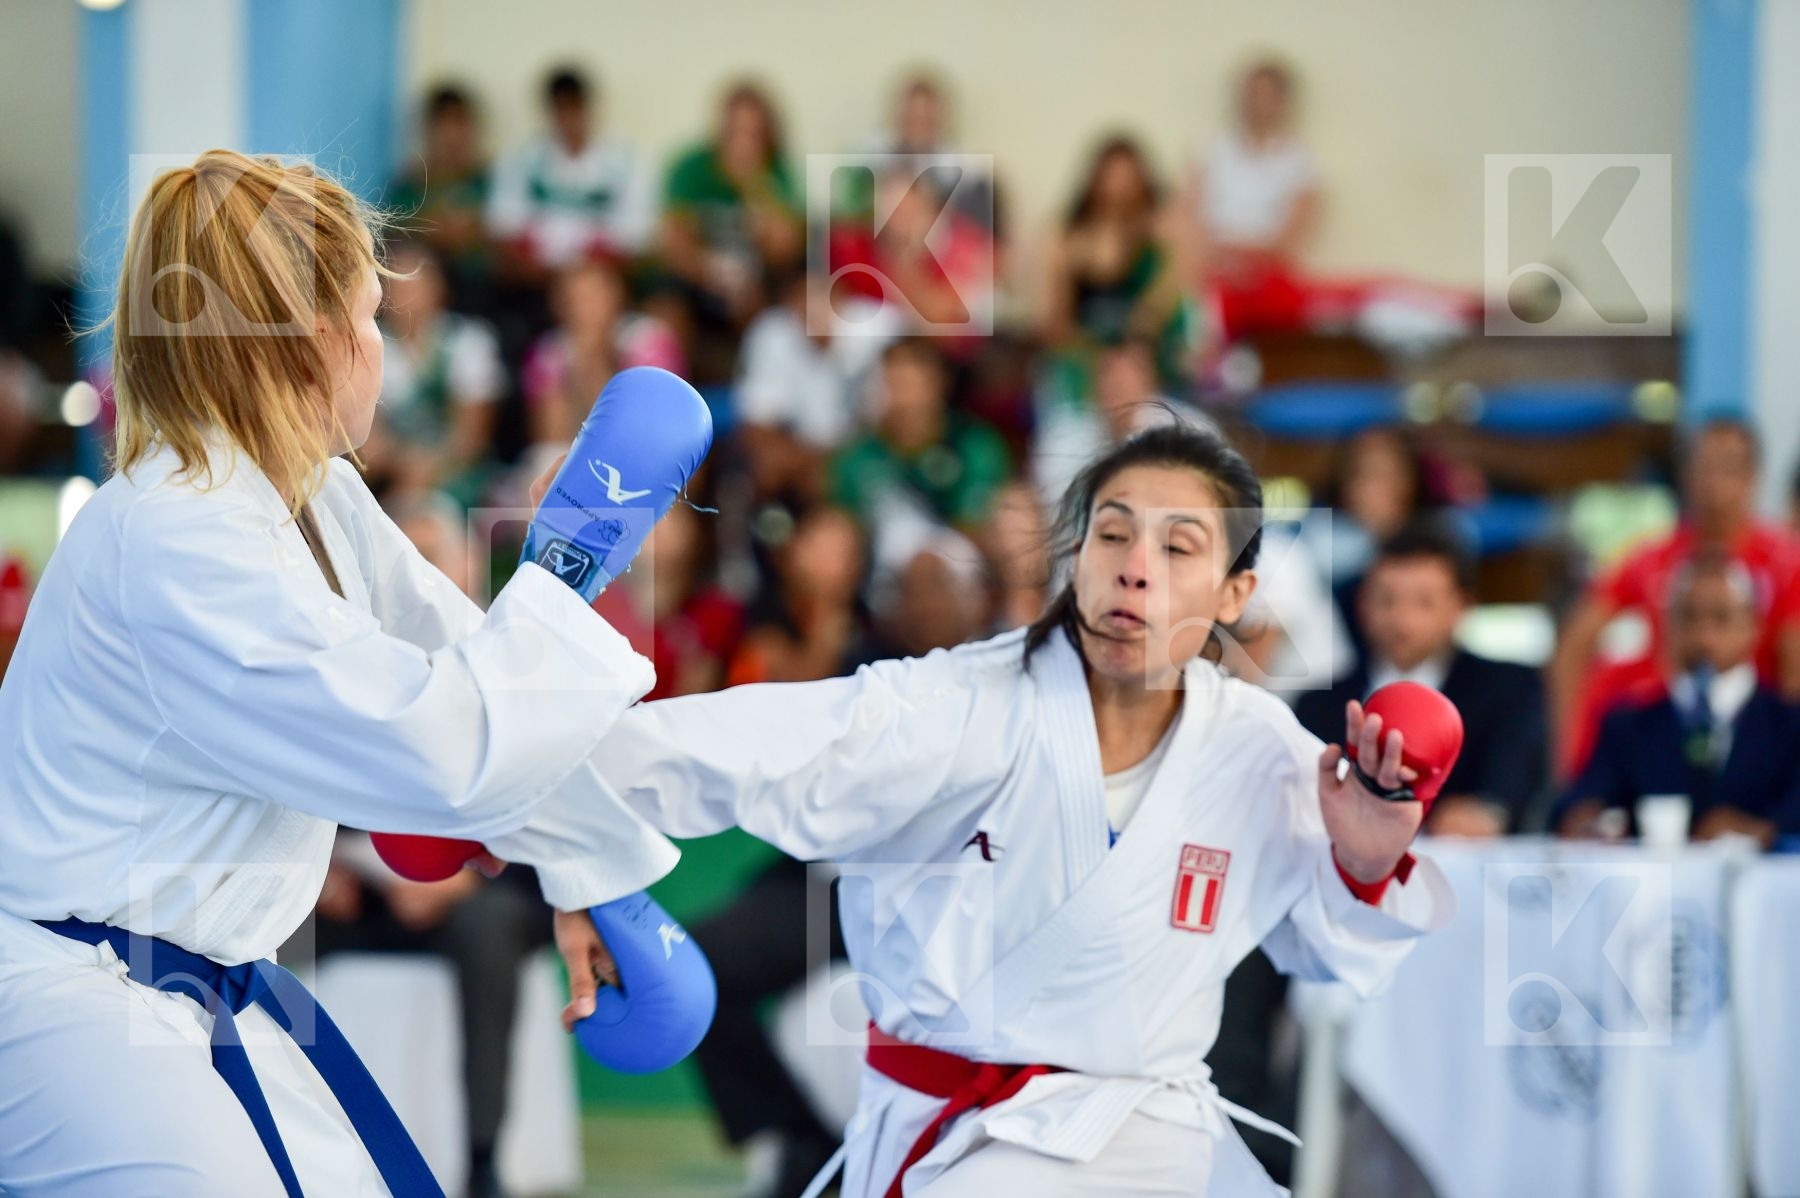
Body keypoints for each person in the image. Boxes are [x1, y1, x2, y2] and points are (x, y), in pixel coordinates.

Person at [0, 151, 688, 1196]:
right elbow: (437, 745)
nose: (379, 349)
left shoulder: (313, 497)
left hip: (190, 988)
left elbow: (451, 660)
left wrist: (590, 868)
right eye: (369, 317)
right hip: (69, 1006)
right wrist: (562, 572)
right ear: (312, 337)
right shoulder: (180, 535)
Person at [558, 422, 1453, 1196]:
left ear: (1233, 595)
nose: (1135, 571)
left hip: (1160, 1144)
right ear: (1076, 557)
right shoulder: (952, 707)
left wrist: (1366, 860)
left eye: (1178, 548)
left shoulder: (1261, 749)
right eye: (1112, 536)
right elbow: (730, 746)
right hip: (966, 1145)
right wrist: (547, 812)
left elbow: (1336, 951)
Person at [1549, 418, 1800, 778]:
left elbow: (1795, 673)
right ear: (1686, 474)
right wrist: (1569, 756)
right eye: (1703, 466)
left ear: (1753, 476)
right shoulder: (1650, 557)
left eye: (1728, 467)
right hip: (1658, 743)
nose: (1714, 482)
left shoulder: (1787, 563)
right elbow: (1576, 642)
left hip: (1751, 748)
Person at [1296, 521, 1547, 837]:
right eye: (1386, 600)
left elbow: (1511, 782)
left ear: (1460, 606)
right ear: (1363, 605)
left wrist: (1489, 812)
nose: (1402, 620)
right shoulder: (1318, 703)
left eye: (1424, 602)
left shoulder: (1510, 689)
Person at [1556, 553, 1800, 846]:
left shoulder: (1789, 726)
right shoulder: (1626, 726)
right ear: (1667, 625)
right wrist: (1586, 820)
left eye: (1721, 618)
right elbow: (1580, 803)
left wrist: (1764, 831)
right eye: (1688, 617)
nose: (1704, 635)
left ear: (1753, 626)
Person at [1043, 136, 1195, 389]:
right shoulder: (1071, 239)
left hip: (1146, 351)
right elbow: (1058, 325)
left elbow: (1166, 306)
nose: (1118, 186)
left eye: (1127, 176)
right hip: (1087, 355)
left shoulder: (1159, 237)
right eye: (1111, 175)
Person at [361, 238, 505, 507]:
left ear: (439, 287)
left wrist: (426, 469)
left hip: (458, 475)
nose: (407, 291)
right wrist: (404, 463)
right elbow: (369, 445)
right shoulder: (369, 346)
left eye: (416, 280)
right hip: (392, 474)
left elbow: (472, 438)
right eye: (399, 281)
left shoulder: (469, 341)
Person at [1184, 57, 1321, 339]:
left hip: (1269, 275)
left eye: (1269, 94)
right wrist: (1218, 257)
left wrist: (1248, 259)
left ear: (1283, 101)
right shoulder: (1211, 148)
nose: (1260, 102)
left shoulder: (1300, 159)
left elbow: (1292, 233)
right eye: (1254, 93)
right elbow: (1190, 213)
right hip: (1213, 270)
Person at [487, 66, 657, 280]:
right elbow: (505, 227)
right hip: (535, 279)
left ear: (589, 108)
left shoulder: (626, 161)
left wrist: (586, 270)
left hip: (601, 279)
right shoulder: (520, 159)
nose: (568, 118)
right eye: (560, 108)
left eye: (574, 107)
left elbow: (634, 237)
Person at [831, 337, 1013, 535]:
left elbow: (982, 525)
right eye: (894, 384)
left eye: (913, 384)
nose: (903, 398)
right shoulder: (858, 457)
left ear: (940, 384)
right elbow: (840, 529)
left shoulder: (974, 447)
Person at [387, 83, 495, 313]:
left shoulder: (490, 182)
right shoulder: (410, 184)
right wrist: (434, 228)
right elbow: (393, 236)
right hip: (421, 293)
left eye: (460, 123)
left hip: (483, 293)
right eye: (444, 125)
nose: (452, 136)